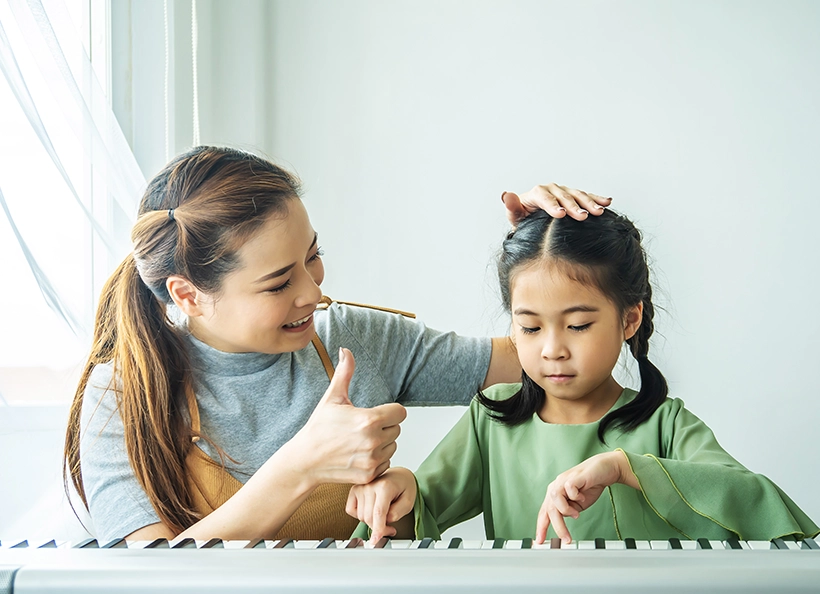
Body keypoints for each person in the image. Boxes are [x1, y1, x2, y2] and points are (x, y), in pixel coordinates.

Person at [64, 145, 610, 542]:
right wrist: (299, 468)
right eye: (279, 283)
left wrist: (541, 255)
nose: (313, 291)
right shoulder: (122, 394)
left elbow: (545, 358)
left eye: (313, 256)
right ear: (189, 295)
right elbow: (143, 582)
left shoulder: (356, 338)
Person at [347, 208, 820, 544]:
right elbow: (413, 519)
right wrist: (399, 493)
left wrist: (623, 468)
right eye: (529, 327)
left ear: (629, 320)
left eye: (577, 325)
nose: (552, 349)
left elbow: (756, 503)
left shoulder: (664, 423)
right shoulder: (491, 420)